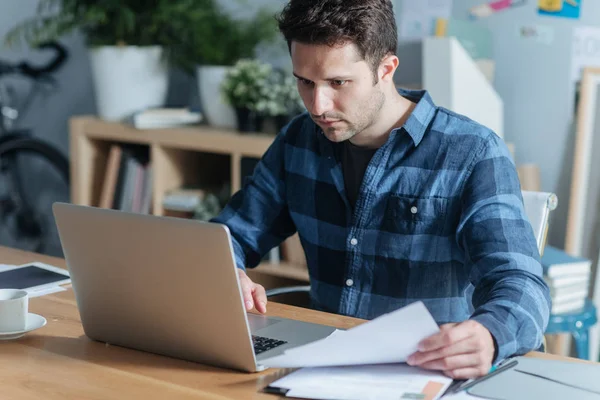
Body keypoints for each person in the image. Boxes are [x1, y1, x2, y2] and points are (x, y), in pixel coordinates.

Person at [210, 0, 550, 379]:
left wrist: (489, 335)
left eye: (338, 83)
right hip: (322, 368)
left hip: (425, 372)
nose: (318, 106)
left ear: (386, 69)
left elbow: (520, 284)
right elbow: (229, 237)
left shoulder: (472, 152)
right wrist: (227, 270)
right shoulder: (298, 141)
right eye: (305, 82)